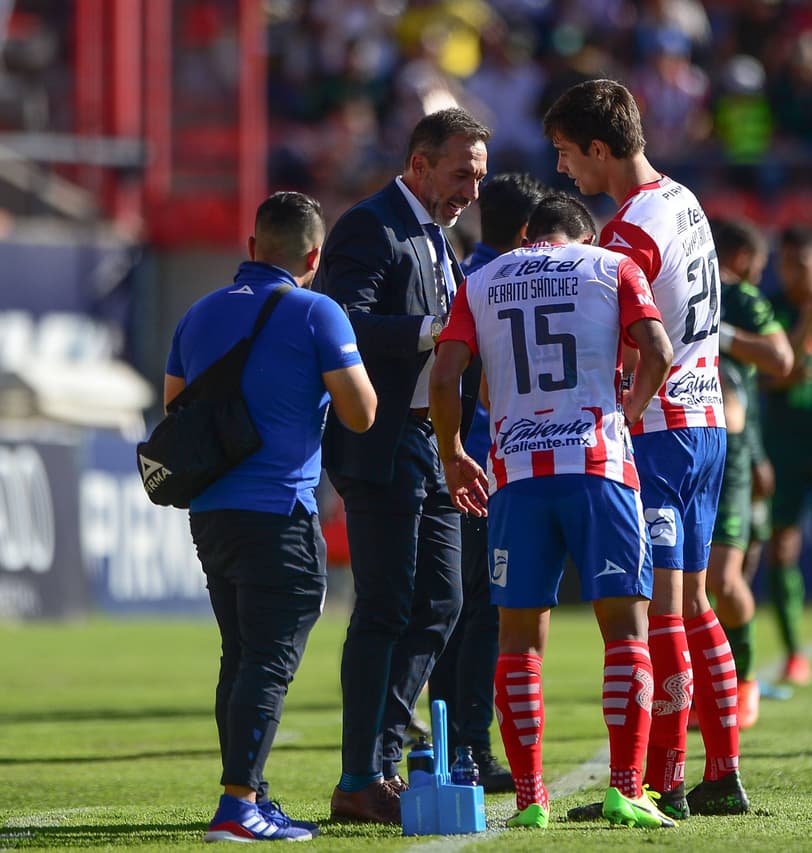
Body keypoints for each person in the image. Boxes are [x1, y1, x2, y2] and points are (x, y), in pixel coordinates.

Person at [429, 194, 677, 829]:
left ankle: (531, 800)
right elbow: (657, 347)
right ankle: (627, 788)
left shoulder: (481, 279)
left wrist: (455, 453)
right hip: (599, 470)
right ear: (583, 235)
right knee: (625, 629)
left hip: (517, 476)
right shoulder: (611, 266)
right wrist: (630, 410)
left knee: (517, 639)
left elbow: (449, 370)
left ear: (525, 235)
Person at [544, 78, 750, 818]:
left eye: (568, 154)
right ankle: (721, 770)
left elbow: (630, 343)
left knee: (658, 610)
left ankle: (662, 783)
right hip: (705, 425)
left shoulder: (629, 231)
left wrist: (623, 413)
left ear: (600, 148)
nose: (565, 170)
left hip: (661, 433)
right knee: (693, 603)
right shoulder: (683, 199)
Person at [166, 192, 377, 841]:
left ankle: (247, 792)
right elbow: (360, 412)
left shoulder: (198, 313)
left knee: (241, 654)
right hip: (278, 509)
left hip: (211, 511)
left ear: (253, 246)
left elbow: (176, 408)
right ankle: (237, 806)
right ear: (313, 255)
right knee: (267, 659)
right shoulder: (318, 311)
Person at [314, 107, 490, 825]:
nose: (470, 191)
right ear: (419, 164)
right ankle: (362, 773)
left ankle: (384, 753)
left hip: (433, 442)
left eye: (478, 176)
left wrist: (456, 441)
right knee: (385, 605)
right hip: (381, 443)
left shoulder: (438, 235)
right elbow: (340, 321)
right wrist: (434, 329)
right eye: (460, 173)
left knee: (442, 601)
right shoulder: (370, 225)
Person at [427, 171, 548, 794]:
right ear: (529, 232)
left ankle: (451, 745)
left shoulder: (465, 275)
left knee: (461, 608)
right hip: (490, 467)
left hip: (461, 460)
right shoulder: (502, 281)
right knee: (480, 611)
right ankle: (468, 747)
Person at [706, 216, 793, 726]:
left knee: (723, 575)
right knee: (682, 585)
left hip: (731, 443)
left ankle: (745, 680)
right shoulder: (662, 283)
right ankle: (699, 687)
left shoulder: (738, 296)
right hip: (675, 438)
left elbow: (780, 358)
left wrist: (723, 336)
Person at [759, 225, 812, 688]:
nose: (792, 275)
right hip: (785, 445)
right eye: (786, 266)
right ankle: (794, 654)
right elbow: (776, 376)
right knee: (782, 547)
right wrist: (806, 322)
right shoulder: (773, 307)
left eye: (802, 267)